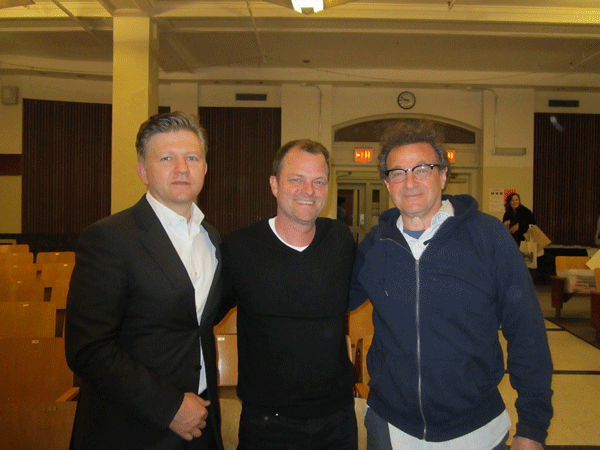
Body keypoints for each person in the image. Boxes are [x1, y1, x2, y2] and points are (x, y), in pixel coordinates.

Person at [349, 120, 553, 450]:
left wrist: (532, 427)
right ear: (387, 184)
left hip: (477, 430)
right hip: (392, 427)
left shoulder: (487, 237)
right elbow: (326, 303)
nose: (410, 181)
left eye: (422, 169)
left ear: (443, 175)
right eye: (398, 172)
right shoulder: (375, 246)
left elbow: (526, 330)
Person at [65, 111, 224, 450]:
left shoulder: (211, 239)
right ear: (143, 171)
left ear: (205, 168)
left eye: (192, 157)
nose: (182, 168)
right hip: (130, 426)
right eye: (167, 158)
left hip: (201, 423)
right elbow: (87, 348)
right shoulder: (109, 238)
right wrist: (169, 406)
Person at [220, 139, 358, 450]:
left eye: (318, 181)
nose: (309, 190)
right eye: (296, 179)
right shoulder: (240, 248)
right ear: (274, 184)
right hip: (268, 424)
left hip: (337, 420)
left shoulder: (339, 240)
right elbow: (202, 318)